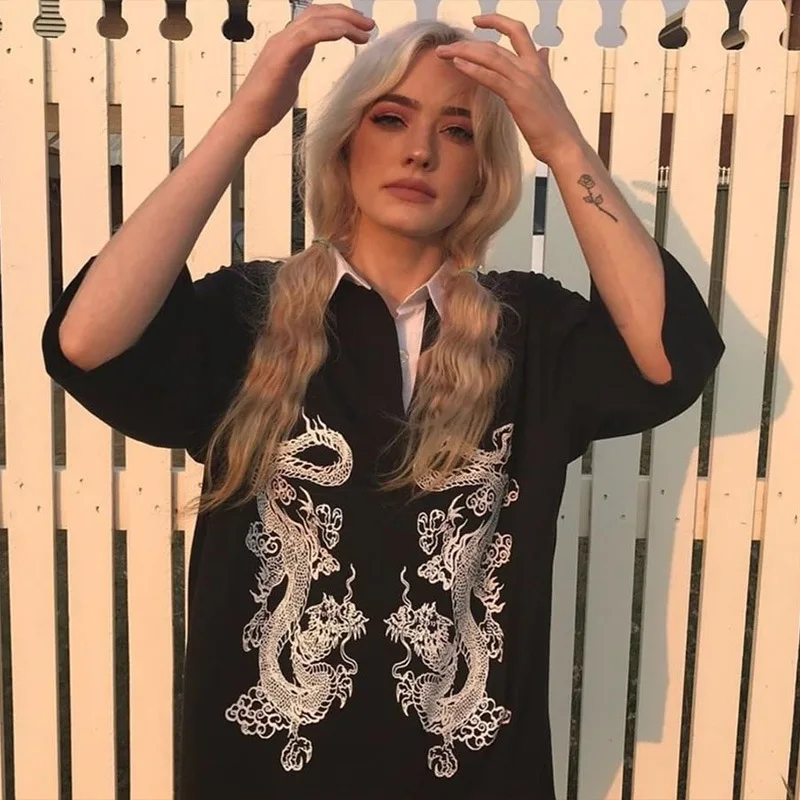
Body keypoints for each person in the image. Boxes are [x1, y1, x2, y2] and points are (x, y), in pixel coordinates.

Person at [41, 4, 724, 798]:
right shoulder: (247, 319)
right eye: (390, 118)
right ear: (345, 142)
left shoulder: (528, 333)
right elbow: (85, 341)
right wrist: (246, 119)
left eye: (457, 131)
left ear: (483, 170)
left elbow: (669, 356)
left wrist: (561, 142)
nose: (419, 149)